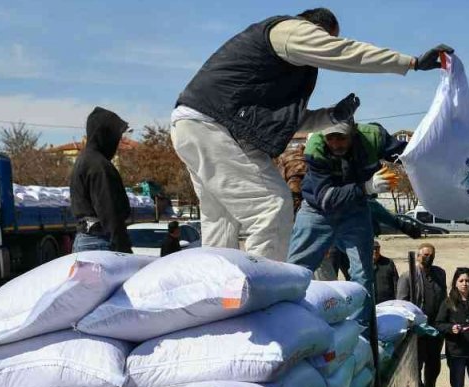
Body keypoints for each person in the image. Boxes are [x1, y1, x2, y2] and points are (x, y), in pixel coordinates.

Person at [171, 8, 452, 260]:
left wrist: (331, 116)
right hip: (214, 126)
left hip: (197, 125)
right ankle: (263, 295)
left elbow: (280, 123)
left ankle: (219, 295)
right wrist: (410, 62)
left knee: (221, 219)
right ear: (319, 31)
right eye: (326, 40)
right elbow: (345, 52)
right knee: (271, 207)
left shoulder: (275, 69)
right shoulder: (290, 31)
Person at [287, 121, 405, 324]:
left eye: (341, 137)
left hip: (355, 211)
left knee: (362, 274)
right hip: (318, 211)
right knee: (296, 270)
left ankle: (362, 328)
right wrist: (366, 188)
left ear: (353, 132)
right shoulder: (316, 149)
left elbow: (406, 154)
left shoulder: (373, 137)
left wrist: (427, 157)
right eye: (330, 137)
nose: (335, 143)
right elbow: (327, 198)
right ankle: (289, 321)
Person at [71, 107, 133, 253]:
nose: (118, 141)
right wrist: (123, 247)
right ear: (105, 135)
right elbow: (109, 211)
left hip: (89, 239)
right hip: (99, 242)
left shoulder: (85, 159)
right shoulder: (99, 166)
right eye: (116, 135)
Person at [397, 242, 447, 387]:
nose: (428, 257)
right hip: (417, 332)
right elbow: (402, 304)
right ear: (418, 256)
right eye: (425, 255)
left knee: (434, 366)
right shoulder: (407, 277)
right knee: (416, 367)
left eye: (431, 254)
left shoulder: (440, 274)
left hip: (435, 330)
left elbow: (444, 298)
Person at [372, 240, 399, 304]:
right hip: (370, 303)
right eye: (372, 249)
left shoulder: (388, 263)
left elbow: (396, 282)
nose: (375, 251)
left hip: (387, 302)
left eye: (377, 249)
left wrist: (397, 301)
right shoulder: (363, 264)